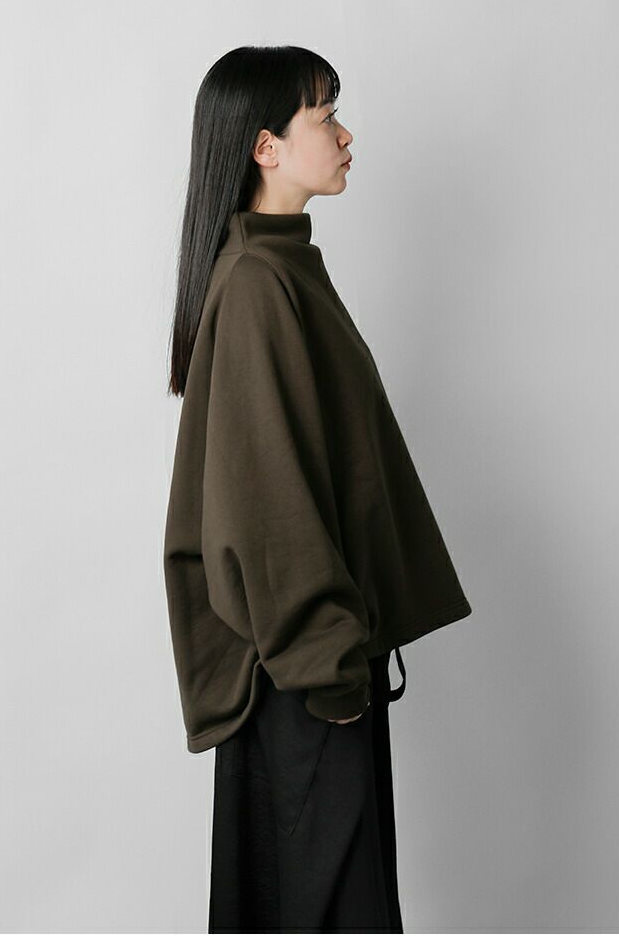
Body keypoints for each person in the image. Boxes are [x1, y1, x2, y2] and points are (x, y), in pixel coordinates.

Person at [163, 45, 472, 932]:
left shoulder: (283, 266)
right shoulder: (258, 286)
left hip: (317, 671)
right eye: (325, 117)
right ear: (265, 147)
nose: (345, 135)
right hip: (301, 682)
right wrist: (328, 670)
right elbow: (266, 507)